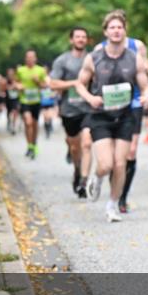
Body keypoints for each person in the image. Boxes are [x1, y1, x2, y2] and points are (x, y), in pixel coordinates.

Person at [75, 11, 148, 222]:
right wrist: (91, 98)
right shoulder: (94, 57)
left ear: (124, 31)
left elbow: (145, 86)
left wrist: (146, 96)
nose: (116, 31)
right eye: (112, 27)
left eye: (120, 27)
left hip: (125, 115)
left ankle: (112, 205)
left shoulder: (134, 58)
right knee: (106, 164)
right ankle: (97, 179)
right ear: (105, 31)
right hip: (101, 116)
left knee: (120, 164)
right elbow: (80, 84)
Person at [49, 27, 91, 198]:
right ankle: (77, 168)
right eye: (77, 36)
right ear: (71, 40)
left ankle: (84, 181)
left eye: (83, 37)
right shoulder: (62, 61)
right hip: (70, 110)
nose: (80, 39)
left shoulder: (93, 59)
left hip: (89, 108)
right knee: (74, 146)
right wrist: (74, 84)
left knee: (87, 143)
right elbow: (53, 84)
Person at [14, 50, 47, 159]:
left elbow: (45, 86)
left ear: (35, 59)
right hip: (25, 100)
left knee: (34, 124)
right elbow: (15, 82)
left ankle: (34, 143)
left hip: (36, 101)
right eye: (28, 57)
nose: (30, 59)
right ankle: (29, 146)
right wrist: (18, 86)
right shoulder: (20, 70)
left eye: (32, 57)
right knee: (28, 123)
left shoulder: (40, 70)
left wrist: (38, 82)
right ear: (25, 59)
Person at [4, 67, 21, 134]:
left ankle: (13, 126)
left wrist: (16, 86)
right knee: (9, 112)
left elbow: (20, 87)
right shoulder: (5, 80)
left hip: (15, 99)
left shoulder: (16, 80)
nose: (10, 74)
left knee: (15, 112)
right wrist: (9, 87)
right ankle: (9, 121)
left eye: (12, 73)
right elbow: (3, 88)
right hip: (8, 99)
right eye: (9, 73)